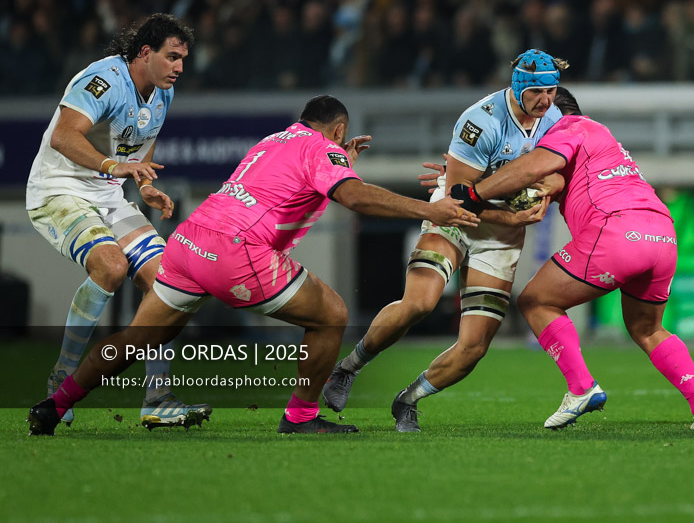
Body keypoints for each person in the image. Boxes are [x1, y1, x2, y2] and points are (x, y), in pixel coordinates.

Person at [27, 96, 479, 436]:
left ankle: (55, 404)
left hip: (188, 242)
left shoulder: (274, 139)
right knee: (332, 316)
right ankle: (300, 417)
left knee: (136, 337)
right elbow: (354, 196)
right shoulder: (324, 149)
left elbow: (301, 183)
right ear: (339, 129)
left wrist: (343, 163)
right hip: (236, 253)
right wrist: (432, 211)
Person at [454, 87, 694, 430]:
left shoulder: (569, 129)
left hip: (616, 231)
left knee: (537, 301)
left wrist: (472, 192)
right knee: (647, 328)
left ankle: (581, 387)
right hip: (661, 233)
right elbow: (526, 188)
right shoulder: (600, 140)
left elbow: (526, 171)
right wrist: (456, 174)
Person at [322, 49, 564, 432]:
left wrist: (544, 189)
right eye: (537, 91)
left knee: (473, 348)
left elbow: (558, 173)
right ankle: (349, 368)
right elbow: (457, 197)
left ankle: (408, 399)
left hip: (500, 236)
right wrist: (514, 212)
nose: (546, 99)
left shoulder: (554, 119)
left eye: (551, 90)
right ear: (518, 87)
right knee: (419, 303)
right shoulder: (479, 122)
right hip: (454, 217)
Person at [25, 13, 206, 428]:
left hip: (108, 195)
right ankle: (62, 380)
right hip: (58, 190)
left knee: (170, 283)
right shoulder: (101, 80)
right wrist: (111, 164)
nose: (180, 67)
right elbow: (64, 136)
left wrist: (143, 185)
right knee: (110, 267)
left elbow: (139, 148)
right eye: (172, 57)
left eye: (183, 59)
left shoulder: (162, 92)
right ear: (145, 52)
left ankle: (157, 397)